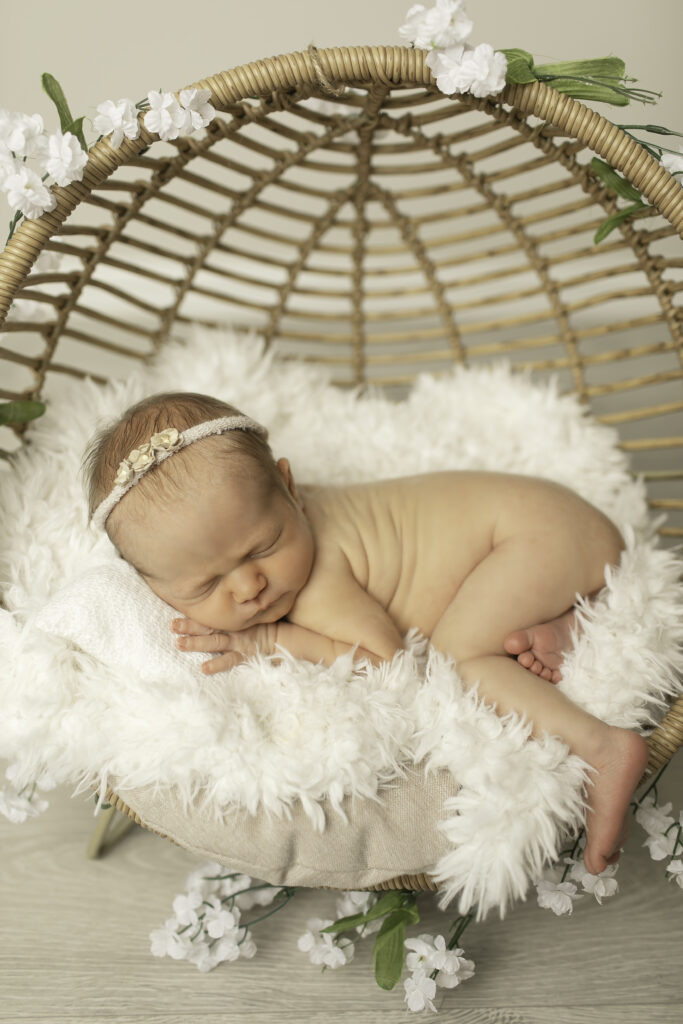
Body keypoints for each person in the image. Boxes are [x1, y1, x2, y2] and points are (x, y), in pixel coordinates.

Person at [83, 390, 650, 877]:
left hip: (537, 537)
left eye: (263, 547)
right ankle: (567, 622)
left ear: (290, 487)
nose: (250, 585)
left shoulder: (318, 578)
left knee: (461, 658)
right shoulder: (262, 515)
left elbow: (384, 660)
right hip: (553, 529)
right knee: (484, 624)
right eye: (206, 585)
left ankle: (603, 746)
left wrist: (268, 643)